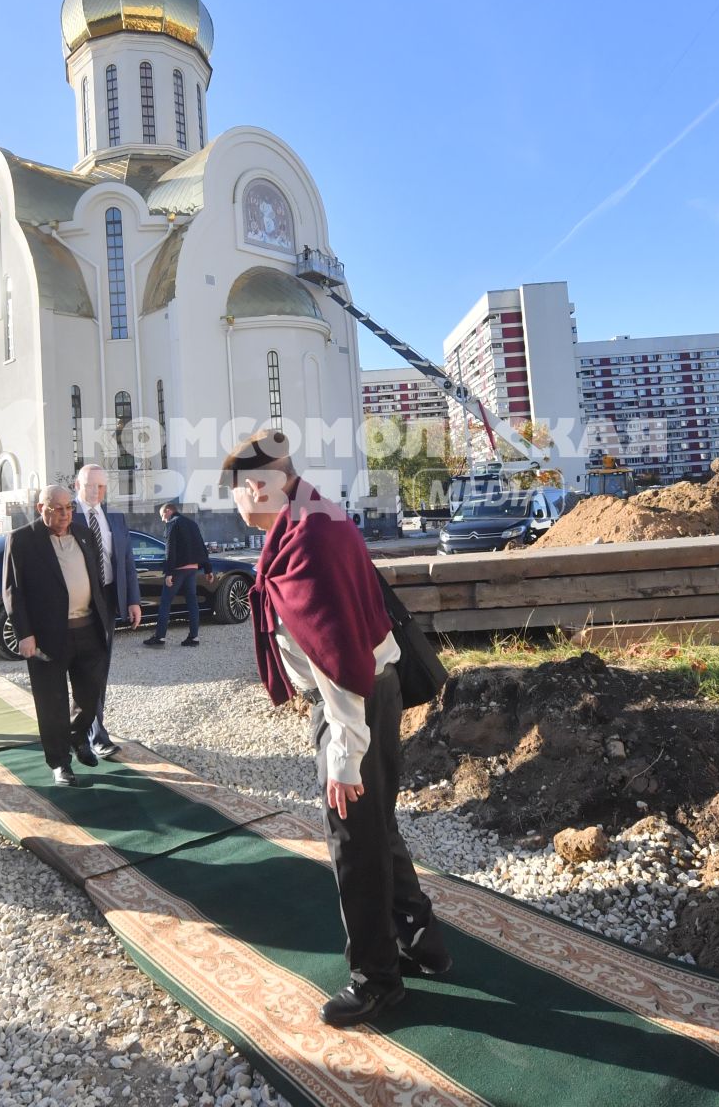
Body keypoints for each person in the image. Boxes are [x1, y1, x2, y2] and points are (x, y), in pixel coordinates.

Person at [221, 431, 450, 1028]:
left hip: (354, 699)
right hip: (374, 687)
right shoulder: (315, 514)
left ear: (257, 486)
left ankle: (377, 980)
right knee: (375, 824)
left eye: (236, 493)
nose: (238, 506)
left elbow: (337, 657)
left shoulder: (307, 539)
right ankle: (419, 936)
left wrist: (343, 756)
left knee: (352, 837)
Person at [2, 486, 110, 787]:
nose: (65, 514)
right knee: (52, 703)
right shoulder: (22, 539)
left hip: (88, 628)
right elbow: (13, 591)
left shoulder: (83, 533)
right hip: (47, 636)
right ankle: (59, 762)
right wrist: (24, 634)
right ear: (41, 508)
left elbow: (96, 577)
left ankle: (77, 738)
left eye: (68, 508)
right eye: (57, 508)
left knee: (90, 696)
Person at [70, 464, 138, 758]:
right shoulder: (65, 516)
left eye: (100, 486)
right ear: (77, 486)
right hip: (78, 603)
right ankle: (89, 732)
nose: (95, 491)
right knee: (84, 668)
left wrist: (133, 600)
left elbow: (126, 563)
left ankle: (93, 730)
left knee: (100, 668)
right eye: (89, 485)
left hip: (108, 600)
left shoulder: (116, 519)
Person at [143, 501, 207, 648]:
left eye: (162, 516)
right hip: (192, 569)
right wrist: (208, 569)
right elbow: (201, 546)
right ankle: (194, 637)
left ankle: (159, 638)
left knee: (165, 602)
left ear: (168, 511)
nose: (162, 519)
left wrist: (169, 572)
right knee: (192, 602)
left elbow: (170, 549)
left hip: (178, 570)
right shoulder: (192, 524)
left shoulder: (173, 523)